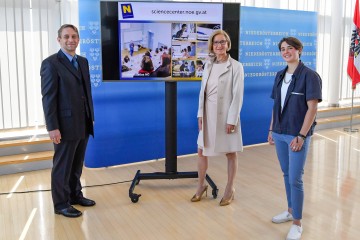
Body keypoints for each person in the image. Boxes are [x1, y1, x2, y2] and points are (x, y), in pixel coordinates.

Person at [267, 37, 322, 240]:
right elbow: (276, 106)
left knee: (296, 178)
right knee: (286, 173)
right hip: (280, 132)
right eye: (282, 49)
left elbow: (313, 108)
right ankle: (290, 210)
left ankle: (297, 223)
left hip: (297, 134)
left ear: (299, 50)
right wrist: (272, 129)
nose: (286, 51)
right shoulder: (280, 75)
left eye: (290, 48)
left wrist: (301, 135)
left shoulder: (310, 76)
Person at [40, 24, 95, 218]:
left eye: (74, 36)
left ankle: (74, 195)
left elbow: (86, 93)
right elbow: (48, 98)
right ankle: (61, 204)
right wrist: (52, 127)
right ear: (59, 40)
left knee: (77, 164)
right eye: (66, 37)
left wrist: (91, 117)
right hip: (63, 125)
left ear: (78, 39)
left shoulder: (83, 62)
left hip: (83, 122)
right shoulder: (51, 63)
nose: (71, 40)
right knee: (62, 166)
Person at [192, 29, 244, 206]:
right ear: (212, 46)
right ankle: (201, 186)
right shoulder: (208, 65)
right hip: (207, 113)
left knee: (230, 152)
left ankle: (230, 188)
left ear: (228, 45)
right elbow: (202, 93)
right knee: (201, 150)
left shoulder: (236, 66)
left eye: (223, 42)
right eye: (216, 43)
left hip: (225, 114)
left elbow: (237, 96)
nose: (219, 45)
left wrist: (232, 119)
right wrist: (200, 114)